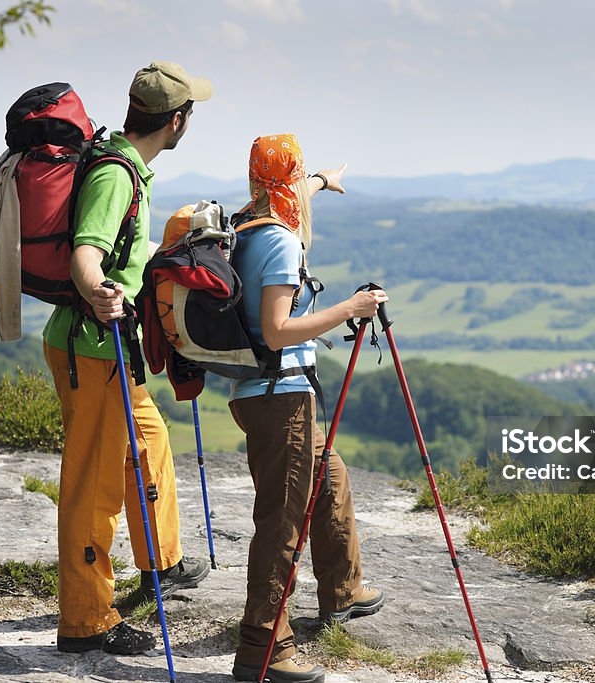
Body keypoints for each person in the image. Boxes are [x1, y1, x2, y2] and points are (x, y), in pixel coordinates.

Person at [42, 61, 213, 655]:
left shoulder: (127, 164)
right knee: (94, 483)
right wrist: (100, 292)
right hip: (93, 348)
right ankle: (86, 620)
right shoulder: (116, 175)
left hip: (112, 349)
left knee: (148, 443)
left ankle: (160, 562)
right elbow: (87, 253)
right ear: (176, 121)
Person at [228, 134, 389, 683]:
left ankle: (342, 592)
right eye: (300, 179)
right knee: (280, 523)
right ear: (286, 182)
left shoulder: (247, 222)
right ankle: (263, 650)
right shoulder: (279, 243)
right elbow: (276, 331)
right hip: (281, 397)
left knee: (330, 472)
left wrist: (322, 179)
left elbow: (292, 192)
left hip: (259, 394)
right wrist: (352, 306)